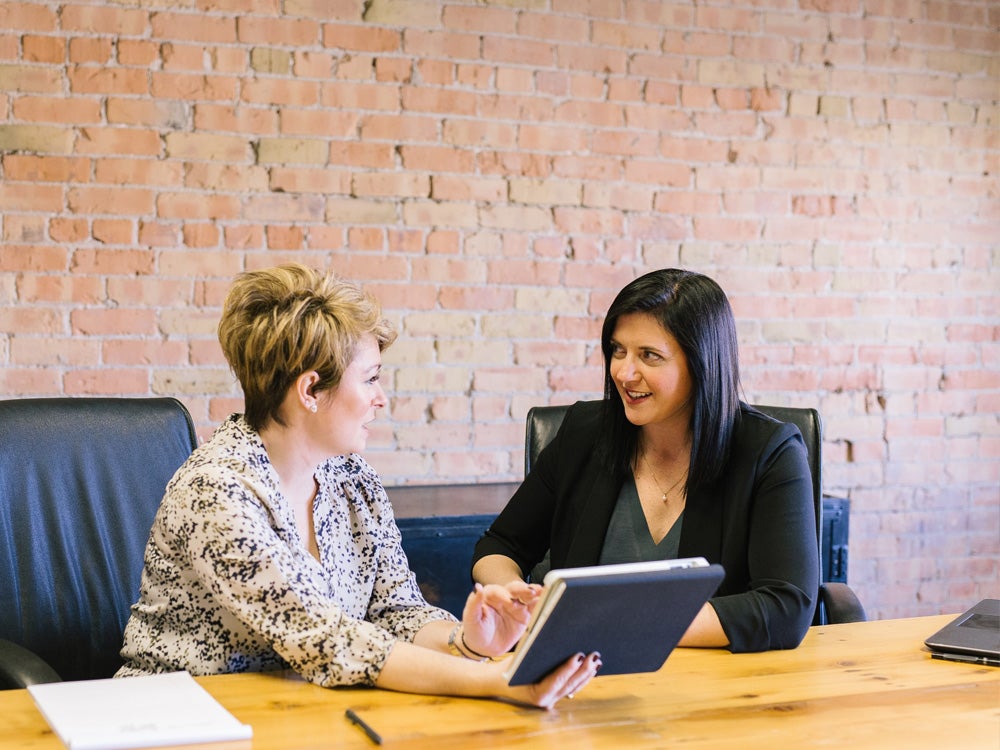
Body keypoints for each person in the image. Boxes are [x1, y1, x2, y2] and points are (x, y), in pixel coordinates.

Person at [117, 263, 599, 708]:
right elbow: (328, 639)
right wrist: (497, 680)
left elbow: (397, 610)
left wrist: (469, 642)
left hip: (302, 712)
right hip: (178, 718)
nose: (381, 399)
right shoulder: (217, 491)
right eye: (370, 379)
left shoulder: (351, 477)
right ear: (310, 390)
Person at [471, 268, 819, 653]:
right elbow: (499, 545)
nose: (623, 372)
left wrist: (616, 623)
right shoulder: (584, 433)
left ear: (702, 363)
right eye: (618, 351)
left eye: (649, 356)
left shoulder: (770, 452)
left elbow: (786, 606)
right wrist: (512, 596)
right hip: (580, 678)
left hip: (714, 684)